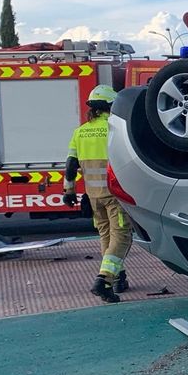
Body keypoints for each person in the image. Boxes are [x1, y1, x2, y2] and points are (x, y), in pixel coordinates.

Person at [65, 84, 132, 304]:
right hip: (115, 194)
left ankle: (117, 276)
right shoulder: (114, 129)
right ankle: (104, 280)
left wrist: (69, 190)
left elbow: (71, 165)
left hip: (93, 195)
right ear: (109, 106)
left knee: (105, 236)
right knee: (121, 236)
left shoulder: (80, 132)